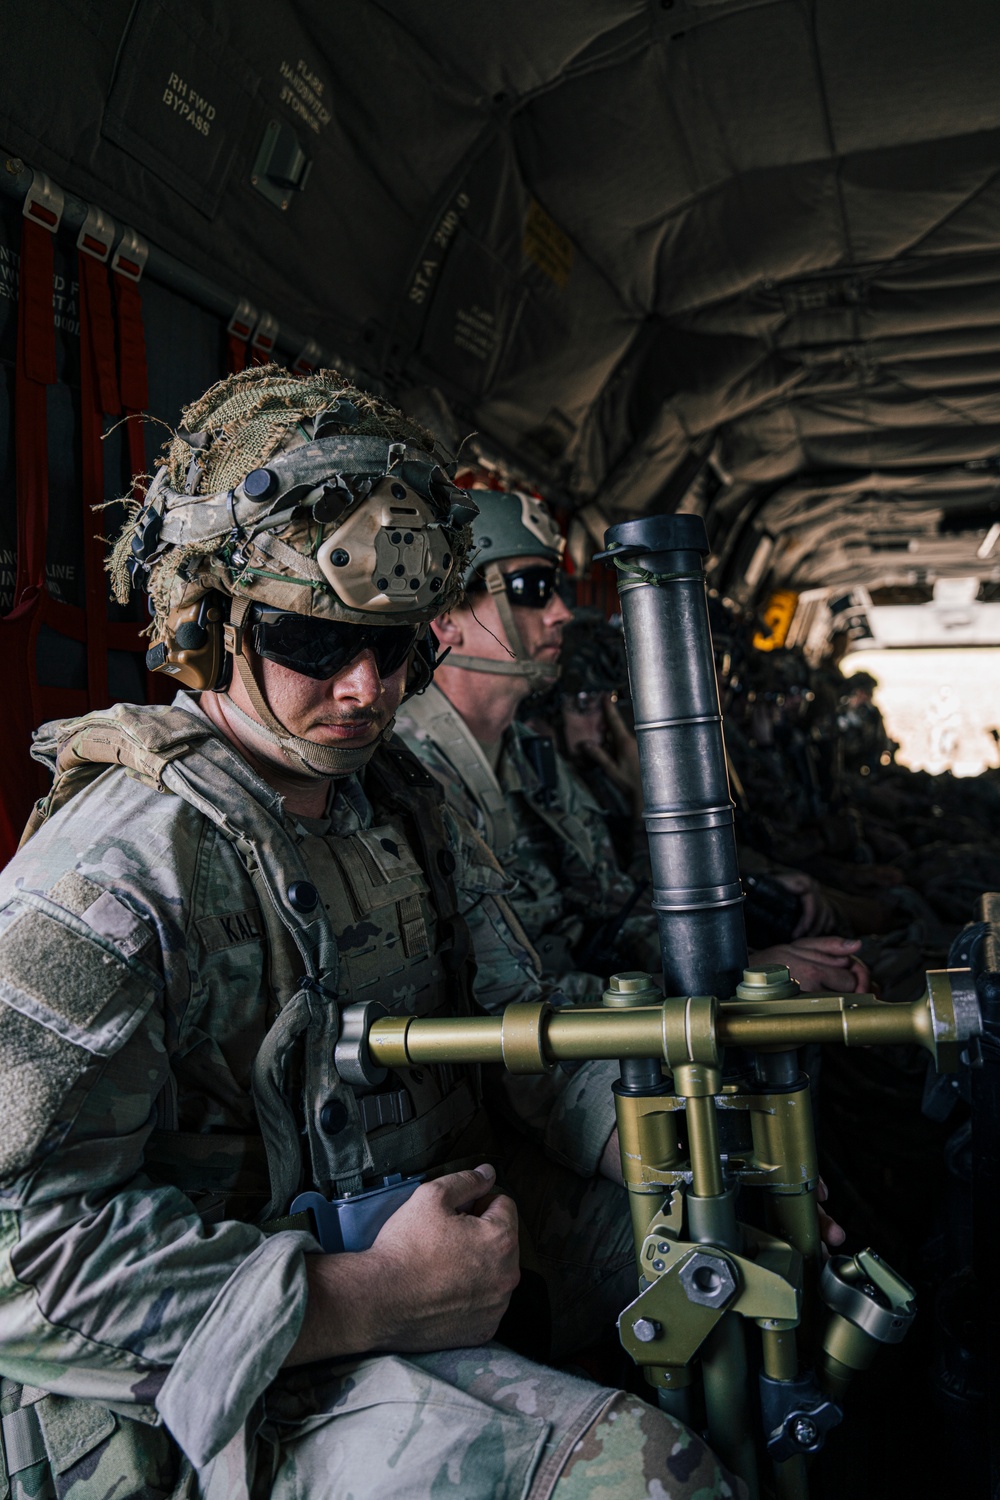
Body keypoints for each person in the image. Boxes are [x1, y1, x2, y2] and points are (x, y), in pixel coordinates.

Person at [0, 368, 742, 1500]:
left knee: (735, 1263)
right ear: (210, 626)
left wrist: (658, 1150)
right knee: (654, 1478)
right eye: (311, 640)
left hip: (430, 1251)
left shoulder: (404, 797)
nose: (363, 688)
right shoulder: (117, 867)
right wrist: (365, 1297)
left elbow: (513, 1022)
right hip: (214, 1386)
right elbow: (16, 1256)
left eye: (396, 649)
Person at [395, 489, 871, 998]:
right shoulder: (411, 775)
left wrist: (741, 964)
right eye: (531, 588)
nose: (560, 613)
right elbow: (494, 995)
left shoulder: (529, 755)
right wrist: (723, 989)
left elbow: (608, 902)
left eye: (555, 588)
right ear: (446, 619)